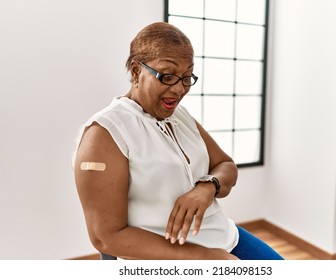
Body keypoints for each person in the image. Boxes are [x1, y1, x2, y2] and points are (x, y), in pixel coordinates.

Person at [73, 22, 283, 260]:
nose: (179, 89)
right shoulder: (105, 134)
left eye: (186, 77)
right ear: (135, 71)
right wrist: (205, 257)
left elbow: (226, 165)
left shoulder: (180, 116)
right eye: (167, 76)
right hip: (162, 256)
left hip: (222, 237)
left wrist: (207, 186)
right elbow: (106, 237)